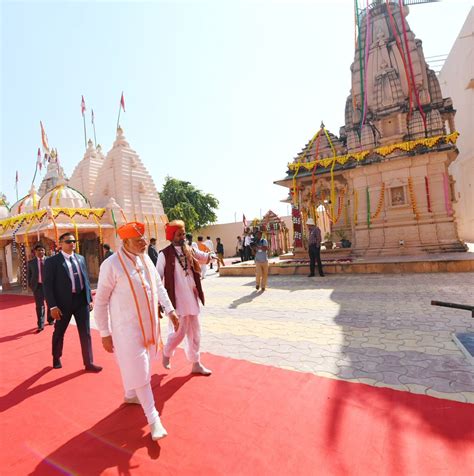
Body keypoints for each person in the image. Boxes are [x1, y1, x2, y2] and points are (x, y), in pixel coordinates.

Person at [94, 222, 178, 441]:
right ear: (125, 242)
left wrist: (170, 310)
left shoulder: (146, 258)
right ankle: (153, 419)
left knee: (145, 365)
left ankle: (131, 394)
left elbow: (158, 287)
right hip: (126, 329)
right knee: (140, 368)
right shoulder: (111, 265)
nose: (143, 243)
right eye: (138, 240)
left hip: (150, 326)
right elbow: (101, 301)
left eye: (144, 239)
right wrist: (104, 332)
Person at [157, 220, 213, 376]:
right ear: (172, 236)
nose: (183, 236)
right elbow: (157, 280)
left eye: (183, 233)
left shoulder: (189, 249)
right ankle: (167, 352)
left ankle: (196, 363)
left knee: (195, 332)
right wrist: (159, 303)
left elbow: (204, 257)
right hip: (177, 301)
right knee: (179, 332)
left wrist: (212, 256)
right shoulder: (164, 254)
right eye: (179, 234)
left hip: (191, 298)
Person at [43, 232, 102, 372]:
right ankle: (56, 357)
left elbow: (85, 280)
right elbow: (47, 286)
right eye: (69, 241)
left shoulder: (80, 258)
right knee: (59, 332)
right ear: (60, 244)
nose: (72, 243)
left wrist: (89, 299)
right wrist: (53, 306)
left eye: (73, 241)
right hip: (63, 304)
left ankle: (89, 362)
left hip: (81, 301)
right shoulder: (52, 262)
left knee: (85, 332)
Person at [27, 243, 53, 332]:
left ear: (45, 251)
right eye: (39, 250)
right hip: (38, 287)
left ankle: (50, 319)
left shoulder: (50, 261)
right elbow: (29, 276)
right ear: (35, 252)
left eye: (42, 250)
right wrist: (31, 285)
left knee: (50, 304)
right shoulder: (31, 263)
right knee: (39, 306)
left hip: (49, 286)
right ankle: (40, 324)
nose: (41, 252)